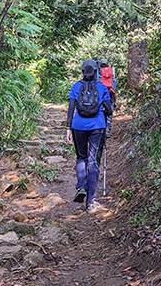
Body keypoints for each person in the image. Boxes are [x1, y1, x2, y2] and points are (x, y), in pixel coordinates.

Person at [66, 59, 113, 211]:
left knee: (81, 157)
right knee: (93, 161)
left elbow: (71, 107)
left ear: (82, 71)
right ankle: (90, 202)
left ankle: (81, 186)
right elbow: (109, 110)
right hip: (97, 126)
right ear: (96, 72)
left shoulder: (76, 86)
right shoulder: (101, 87)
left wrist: (68, 129)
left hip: (78, 125)